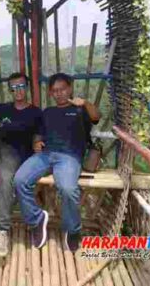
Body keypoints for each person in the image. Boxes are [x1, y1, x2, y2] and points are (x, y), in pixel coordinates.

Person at [14, 73, 100, 252]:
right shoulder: (48, 112)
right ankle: (37, 220)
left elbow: (96, 116)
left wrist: (84, 103)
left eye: (62, 89)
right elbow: (39, 133)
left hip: (69, 157)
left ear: (70, 88)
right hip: (45, 155)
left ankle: (73, 229)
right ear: (51, 93)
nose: (59, 93)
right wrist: (36, 142)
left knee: (68, 189)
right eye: (55, 91)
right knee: (20, 180)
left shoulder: (80, 110)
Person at [0, 72, 42, 257]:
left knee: (5, 179)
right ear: (10, 90)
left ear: (26, 88)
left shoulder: (35, 112)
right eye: (14, 87)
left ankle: (1, 229)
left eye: (21, 86)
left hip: (17, 152)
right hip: (0, 148)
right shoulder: (3, 108)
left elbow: (23, 128)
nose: (18, 90)